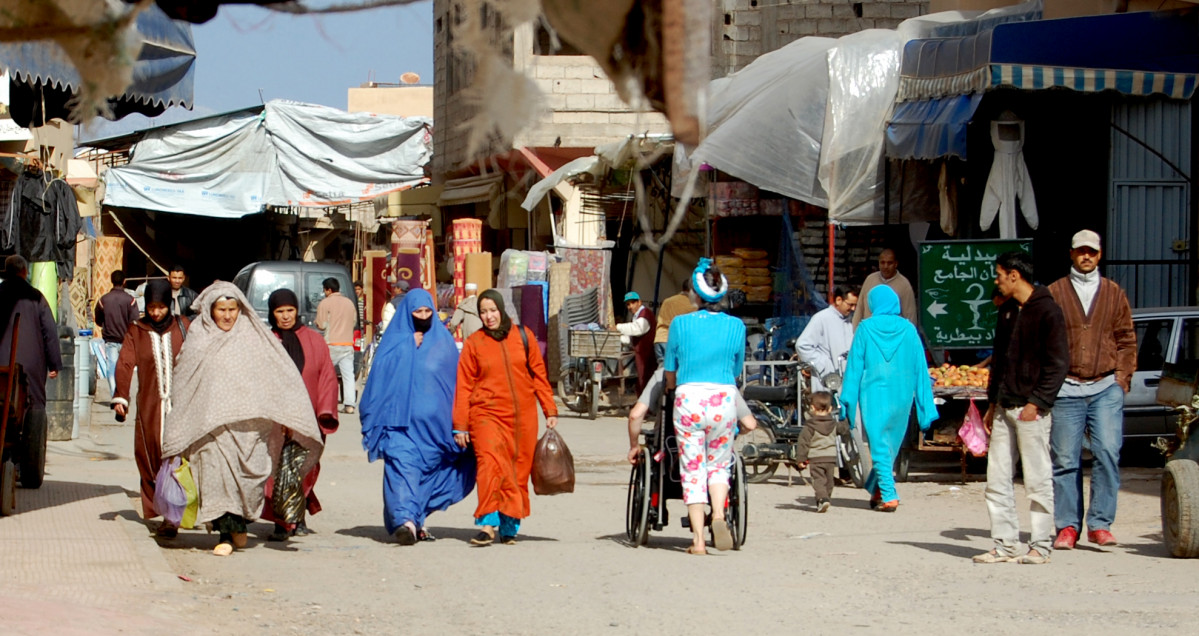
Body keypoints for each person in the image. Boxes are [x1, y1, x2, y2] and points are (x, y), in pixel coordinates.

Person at [162, 282, 323, 557]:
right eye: (221, 309)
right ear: (211, 311)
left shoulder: (255, 339)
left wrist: (285, 413)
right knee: (214, 477)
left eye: (232, 309)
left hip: (249, 431)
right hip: (210, 429)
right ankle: (225, 532)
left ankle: (239, 524)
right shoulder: (199, 339)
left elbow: (279, 377)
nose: (227, 316)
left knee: (247, 483)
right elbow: (184, 381)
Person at [974, 251, 1069, 565]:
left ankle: (1041, 545)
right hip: (1003, 408)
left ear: (1015, 275)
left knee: (1037, 480)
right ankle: (1005, 544)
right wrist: (991, 404)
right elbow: (999, 361)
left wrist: (1037, 403)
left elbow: (1057, 366)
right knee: (997, 480)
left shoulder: (1048, 312)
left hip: (1031, 411)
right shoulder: (1007, 312)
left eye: (999, 274)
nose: (996, 280)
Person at [362, 288, 476, 545]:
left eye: (427, 311)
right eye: (417, 312)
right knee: (402, 469)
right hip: (399, 424)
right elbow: (379, 373)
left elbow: (457, 383)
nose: (423, 316)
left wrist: (462, 424)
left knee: (429, 473)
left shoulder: (443, 341)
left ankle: (417, 518)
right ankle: (404, 521)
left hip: (437, 429)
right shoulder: (396, 340)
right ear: (407, 313)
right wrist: (407, 346)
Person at [1047, 230, 1136, 550]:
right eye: (1080, 251)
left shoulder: (1114, 293)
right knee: (1065, 459)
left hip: (1105, 385)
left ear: (1100, 256)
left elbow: (1126, 338)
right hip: (1067, 388)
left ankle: (1100, 524)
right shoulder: (1055, 292)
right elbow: (1045, 340)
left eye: (1092, 252)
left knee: (1107, 452)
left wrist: (1122, 379)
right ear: (1071, 254)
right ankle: (1067, 526)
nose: (1086, 256)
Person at [452, 289, 558, 546]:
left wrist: (549, 409)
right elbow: (464, 385)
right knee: (489, 463)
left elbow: (538, 374)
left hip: (522, 416)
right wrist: (460, 426)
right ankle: (488, 523)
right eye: (483, 312)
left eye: (492, 310)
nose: (488, 317)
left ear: (502, 309)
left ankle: (509, 524)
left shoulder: (524, 336)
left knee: (517, 468)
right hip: (485, 414)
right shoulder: (474, 343)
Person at [664, 258, 745, 555]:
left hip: (689, 398)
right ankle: (720, 516)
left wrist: (672, 389)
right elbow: (736, 368)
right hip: (723, 398)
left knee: (693, 468)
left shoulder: (680, 324)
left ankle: (698, 540)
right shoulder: (736, 326)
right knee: (720, 464)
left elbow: (670, 369)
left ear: (695, 294)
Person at [841, 285, 937, 513]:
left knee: (880, 446)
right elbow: (921, 369)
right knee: (889, 446)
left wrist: (847, 401)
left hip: (873, 395)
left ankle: (890, 495)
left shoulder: (865, 329)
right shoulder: (909, 329)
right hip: (902, 396)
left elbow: (854, 369)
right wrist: (925, 405)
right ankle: (878, 489)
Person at [111, 280, 189, 538]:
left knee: (177, 460)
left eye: (161, 307)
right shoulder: (137, 330)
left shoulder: (183, 327)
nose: (156, 313)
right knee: (149, 456)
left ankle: (174, 517)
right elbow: (124, 363)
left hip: (181, 407)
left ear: (169, 305)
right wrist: (121, 398)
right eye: (152, 307)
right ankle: (163, 509)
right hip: (149, 406)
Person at [262, 289, 340, 541]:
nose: (285, 316)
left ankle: (298, 513)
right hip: (275, 418)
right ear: (272, 313)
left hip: (309, 417)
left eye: (289, 311)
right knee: (276, 469)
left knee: (303, 467)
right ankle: (281, 520)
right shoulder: (266, 341)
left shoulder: (315, 341)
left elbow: (328, 378)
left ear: (297, 311)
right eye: (279, 311)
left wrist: (325, 411)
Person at [0, 255, 62, 487]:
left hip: (5, 369)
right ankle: (19, 464)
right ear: (25, 272)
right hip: (29, 368)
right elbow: (50, 332)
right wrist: (54, 364)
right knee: (32, 408)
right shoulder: (37, 298)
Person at [626, 367, 756, 465]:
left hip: (669, 450)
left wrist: (634, 446)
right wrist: (733, 433)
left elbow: (635, 415)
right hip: (713, 453)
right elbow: (749, 424)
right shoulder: (722, 378)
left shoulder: (662, 375)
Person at [794, 391, 849, 513]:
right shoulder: (834, 425)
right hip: (830, 458)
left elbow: (803, 443)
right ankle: (825, 499)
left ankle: (822, 499)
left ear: (812, 408)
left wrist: (801, 459)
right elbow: (844, 430)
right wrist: (846, 418)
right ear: (830, 409)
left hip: (816, 458)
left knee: (818, 480)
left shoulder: (809, 427)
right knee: (829, 481)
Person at [315, 277, 358, 414]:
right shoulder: (349, 303)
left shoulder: (325, 303)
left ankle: (320, 402)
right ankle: (350, 405)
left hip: (331, 344)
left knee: (322, 374)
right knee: (348, 376)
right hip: (347, 343)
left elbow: (321, 325)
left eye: (324, 290)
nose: (324, 293)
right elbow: (354, 322)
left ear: (328, 289)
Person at [94, 270, 139, 398]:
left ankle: (115, 395)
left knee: (112, 368)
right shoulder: (130, 300)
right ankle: (124, 395)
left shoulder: (104, 300)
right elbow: (135, 321)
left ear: (112, 281)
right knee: (125, 369)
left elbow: (98, 319)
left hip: (110, 340)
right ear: (124, 281)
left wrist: (106, 325)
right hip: (127, 341)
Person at [853, 249, 917, 327]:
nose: (886, 266)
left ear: (896, 264)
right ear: (879, 263)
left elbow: (910, 315)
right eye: (882, 263)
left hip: (892, 335)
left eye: (889, 263)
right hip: (869, 333)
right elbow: (860, 308)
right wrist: (856, 332)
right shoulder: (870, 279)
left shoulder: (904, 285)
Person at [616, 291, 657, 396]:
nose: (630, 306)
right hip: (640, 352)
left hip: (647, 353)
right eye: (628, 304)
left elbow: (637, 329)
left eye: (632, 303)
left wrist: (617, 327)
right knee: (641, 379)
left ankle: (647, 408)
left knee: (645, 379)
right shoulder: (636, 316)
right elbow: (631, 337)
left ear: (639, 302)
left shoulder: (645, 314)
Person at [653, 279, 696, 365]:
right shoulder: (692, 304)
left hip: (659, 339)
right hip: (673, 341)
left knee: (661, 370)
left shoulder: (667, 301)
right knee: (673, 371)